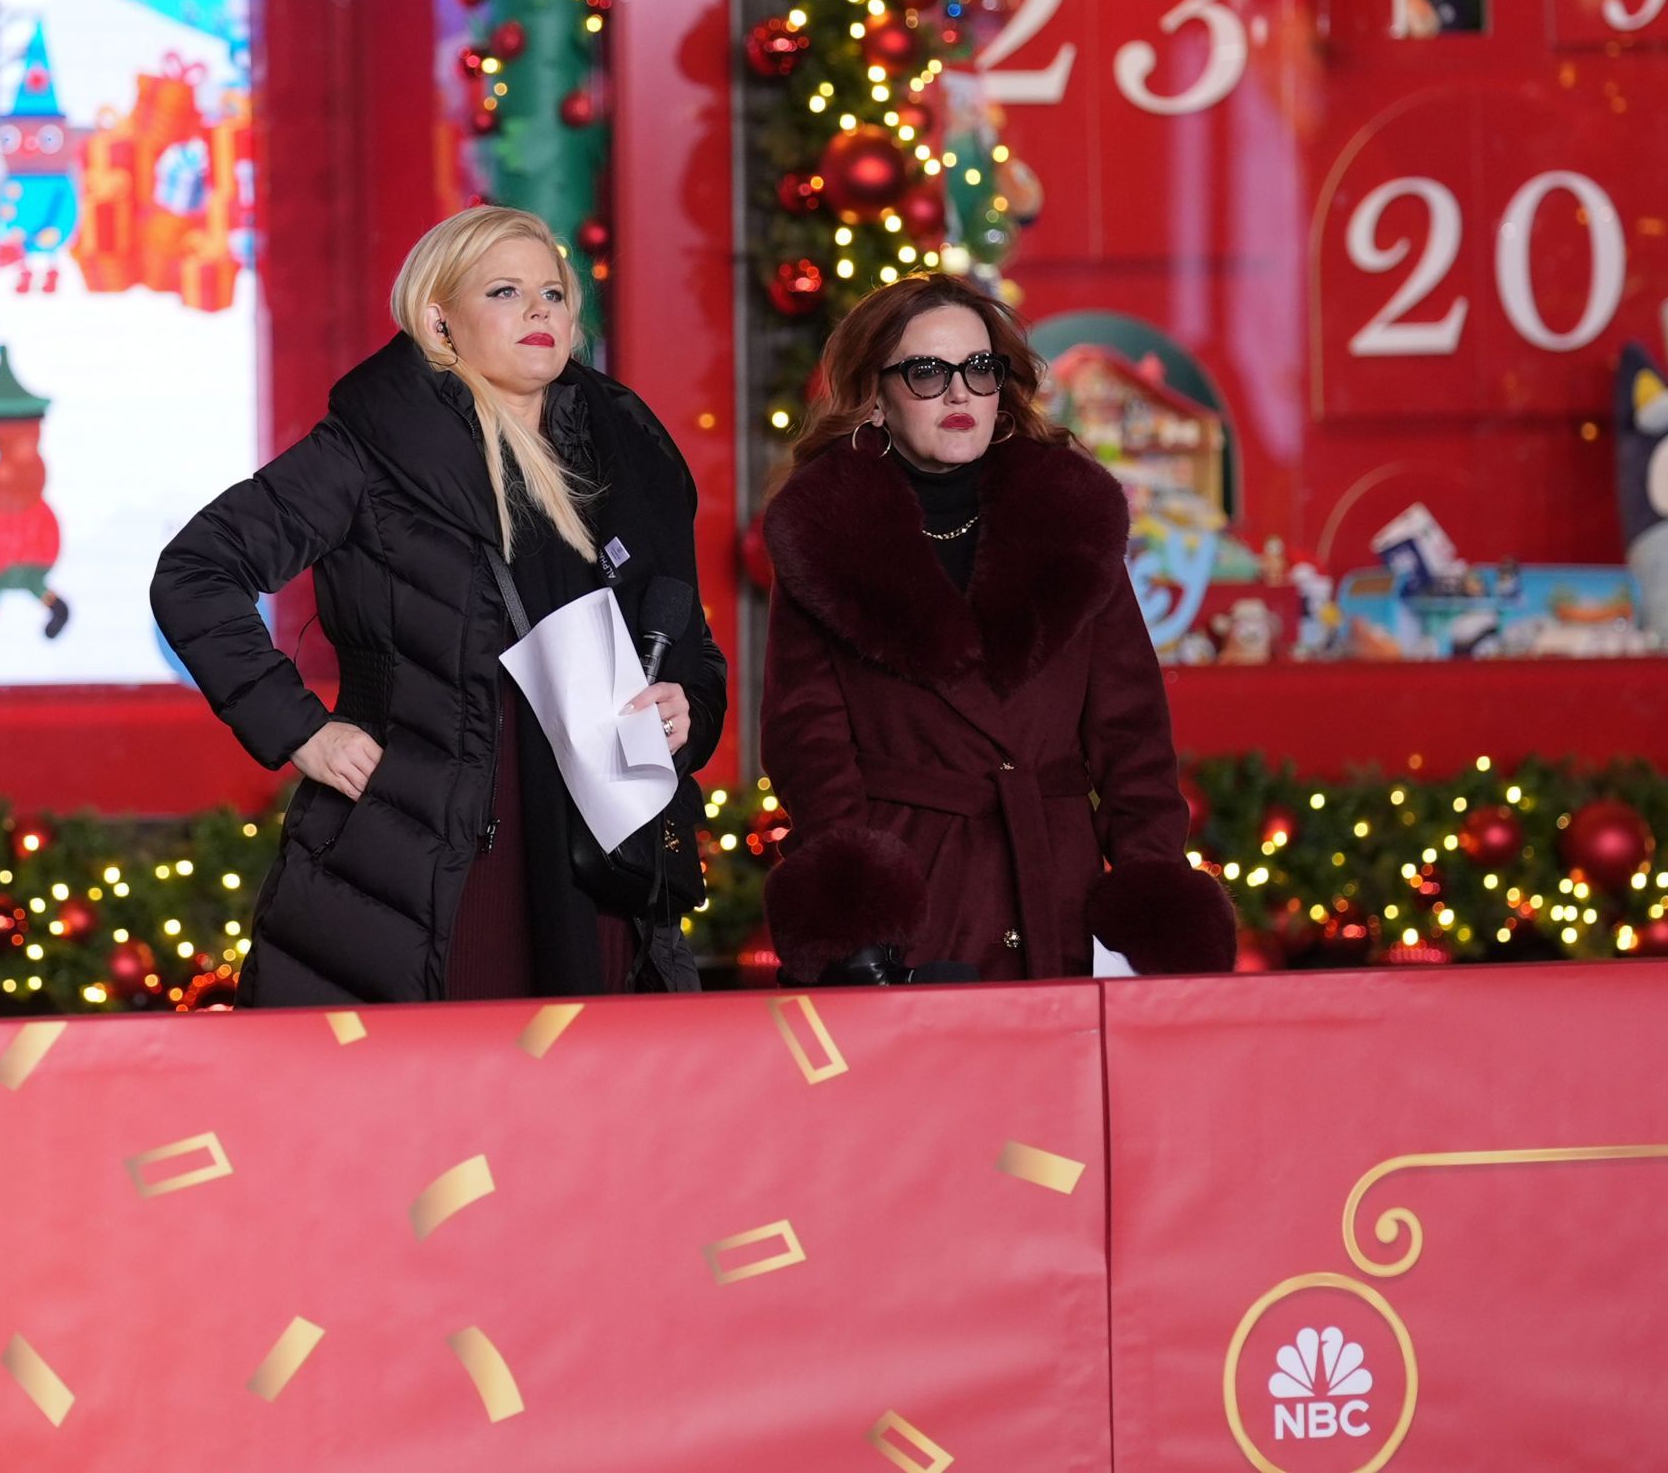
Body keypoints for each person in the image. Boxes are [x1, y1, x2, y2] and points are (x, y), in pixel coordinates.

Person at [152, 206, 724, 1006]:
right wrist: (301, 730)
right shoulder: (370, 447)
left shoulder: (627, 445)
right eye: (505, 291)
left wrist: (685, 704)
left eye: (554, 294)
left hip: (602, 856)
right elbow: (196, 572)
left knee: (592, 1113)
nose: (539, 312)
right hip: (425, 864)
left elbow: (685, 632)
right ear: (438, 318)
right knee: (433, 1115)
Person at [759, 275, 1233, 984]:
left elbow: (1133, 738)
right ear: (875, 395)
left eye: (979, 369)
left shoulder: (1072, 520)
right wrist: (860, 922)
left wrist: (1149, 887)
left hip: (1057, 891)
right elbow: (808, 748)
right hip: (912, 903)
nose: (958, 394)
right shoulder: (825, 536)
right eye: (926, 372)